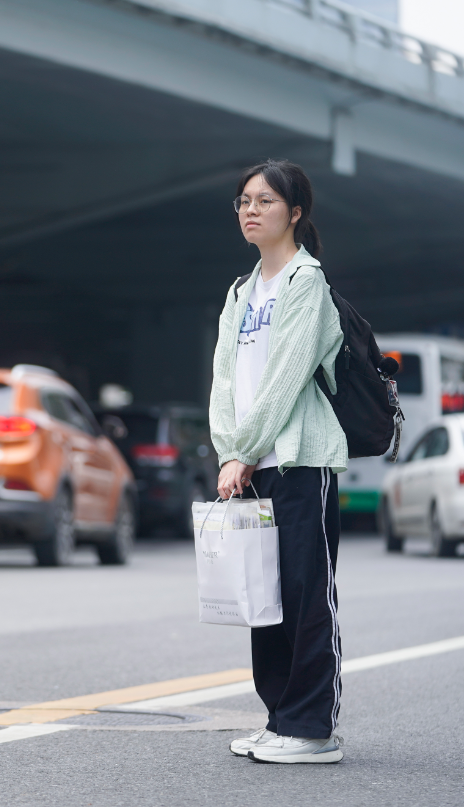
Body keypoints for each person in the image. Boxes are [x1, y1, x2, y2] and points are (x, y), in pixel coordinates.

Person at [209, 159, 348, 764]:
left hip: (298, 461)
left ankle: (312, 729)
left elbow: (287, 377)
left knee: (305, 593)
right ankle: (279, 719)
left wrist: (244, 450)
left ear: (294, 213)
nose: (250, 210)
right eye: (243, 201)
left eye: (264, 201)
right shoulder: (241, 291)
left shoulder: (305, 282)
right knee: (263, 596)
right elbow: (223, 380)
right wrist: (230, 452)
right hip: (250, 463)